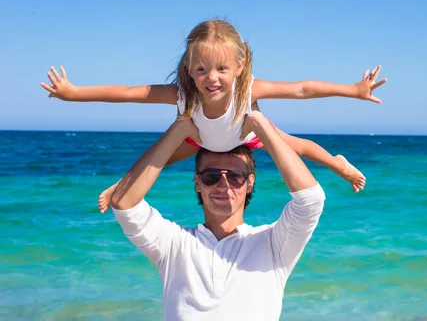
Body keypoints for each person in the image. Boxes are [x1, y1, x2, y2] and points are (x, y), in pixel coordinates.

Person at [40, 19, 386, 212]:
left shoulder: (250, 88)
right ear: (189, 69)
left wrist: (353, 90)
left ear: (238, 67)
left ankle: (339, 164)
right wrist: (73, 94)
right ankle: (122, 184)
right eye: (202, 68)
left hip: (244, 134)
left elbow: (301, 89)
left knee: (301, 148)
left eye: (222, 68)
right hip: (199, 138)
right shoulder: (181, 94)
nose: (212, 77)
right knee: (155, 161)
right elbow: (128, 94)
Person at [111, 109, 326, 320]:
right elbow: (124, 203)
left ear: (250, 182)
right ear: (197, 182)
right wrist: (179, 130)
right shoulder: (174, 244)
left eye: (235, 177)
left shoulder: (273, 244)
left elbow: (311, 201)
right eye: (212, 176)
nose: (224, 185)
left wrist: (260, 124)